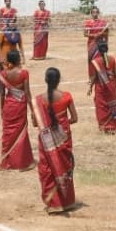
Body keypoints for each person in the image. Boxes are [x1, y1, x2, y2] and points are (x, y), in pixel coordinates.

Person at [35, 67, 78, 213]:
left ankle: (54, 203)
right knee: (64, 168)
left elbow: (36, 123)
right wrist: (62, 125)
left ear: (46, 80)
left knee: (48, 169)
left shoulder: (39, 100)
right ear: (59, 80)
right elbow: (75, 118)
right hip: (64, 139)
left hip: (46, 141)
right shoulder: (67, 97)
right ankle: (67, 202)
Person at [0, 49, 37, 171]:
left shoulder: (4, 74)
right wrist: (33, 110)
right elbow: (28, 93)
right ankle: (23, 162)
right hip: (20, 106)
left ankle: (6, 162)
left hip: (9, 106)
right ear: (18, 60)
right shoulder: (24, 73)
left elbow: (2, 94)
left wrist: (2, 109)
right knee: (21, 134)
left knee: (8, 133)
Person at [87, 39, 116, 133]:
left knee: (101, 107)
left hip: (101, 88)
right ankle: (113, 126)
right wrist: (115, 86)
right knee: (111, 106)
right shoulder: (112, 59)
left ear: (98, 50)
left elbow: (94, 77)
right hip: (111, 86)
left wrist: (90, 87)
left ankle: (105, 127)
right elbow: (115, 74)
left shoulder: (96, 61)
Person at [0, 16, 26, 91]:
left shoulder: (17, 33)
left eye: (14, 22)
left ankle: (15, 89)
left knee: (16, 72)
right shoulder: (3, 32)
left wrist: (23, 57)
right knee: (4, 73)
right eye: (11, 22)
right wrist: (1, 57)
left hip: (14, 56)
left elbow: (20, 45)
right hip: (5, 56)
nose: (13, 23)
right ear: (8, 22)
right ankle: (1, 90)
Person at [83, 5, 110, 76]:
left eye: (96, 12)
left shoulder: (103, 22)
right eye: (93, 12)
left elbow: (107, 32)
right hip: (92, 44)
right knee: (92, 60)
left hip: (101, 44)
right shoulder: (88, 23)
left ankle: (101, 76)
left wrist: (101, 34)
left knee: (101, 60)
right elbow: (85, 34)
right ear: (91, 13)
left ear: (98, 13)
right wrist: (94, 35)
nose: (95, 14)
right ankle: (92, 76)